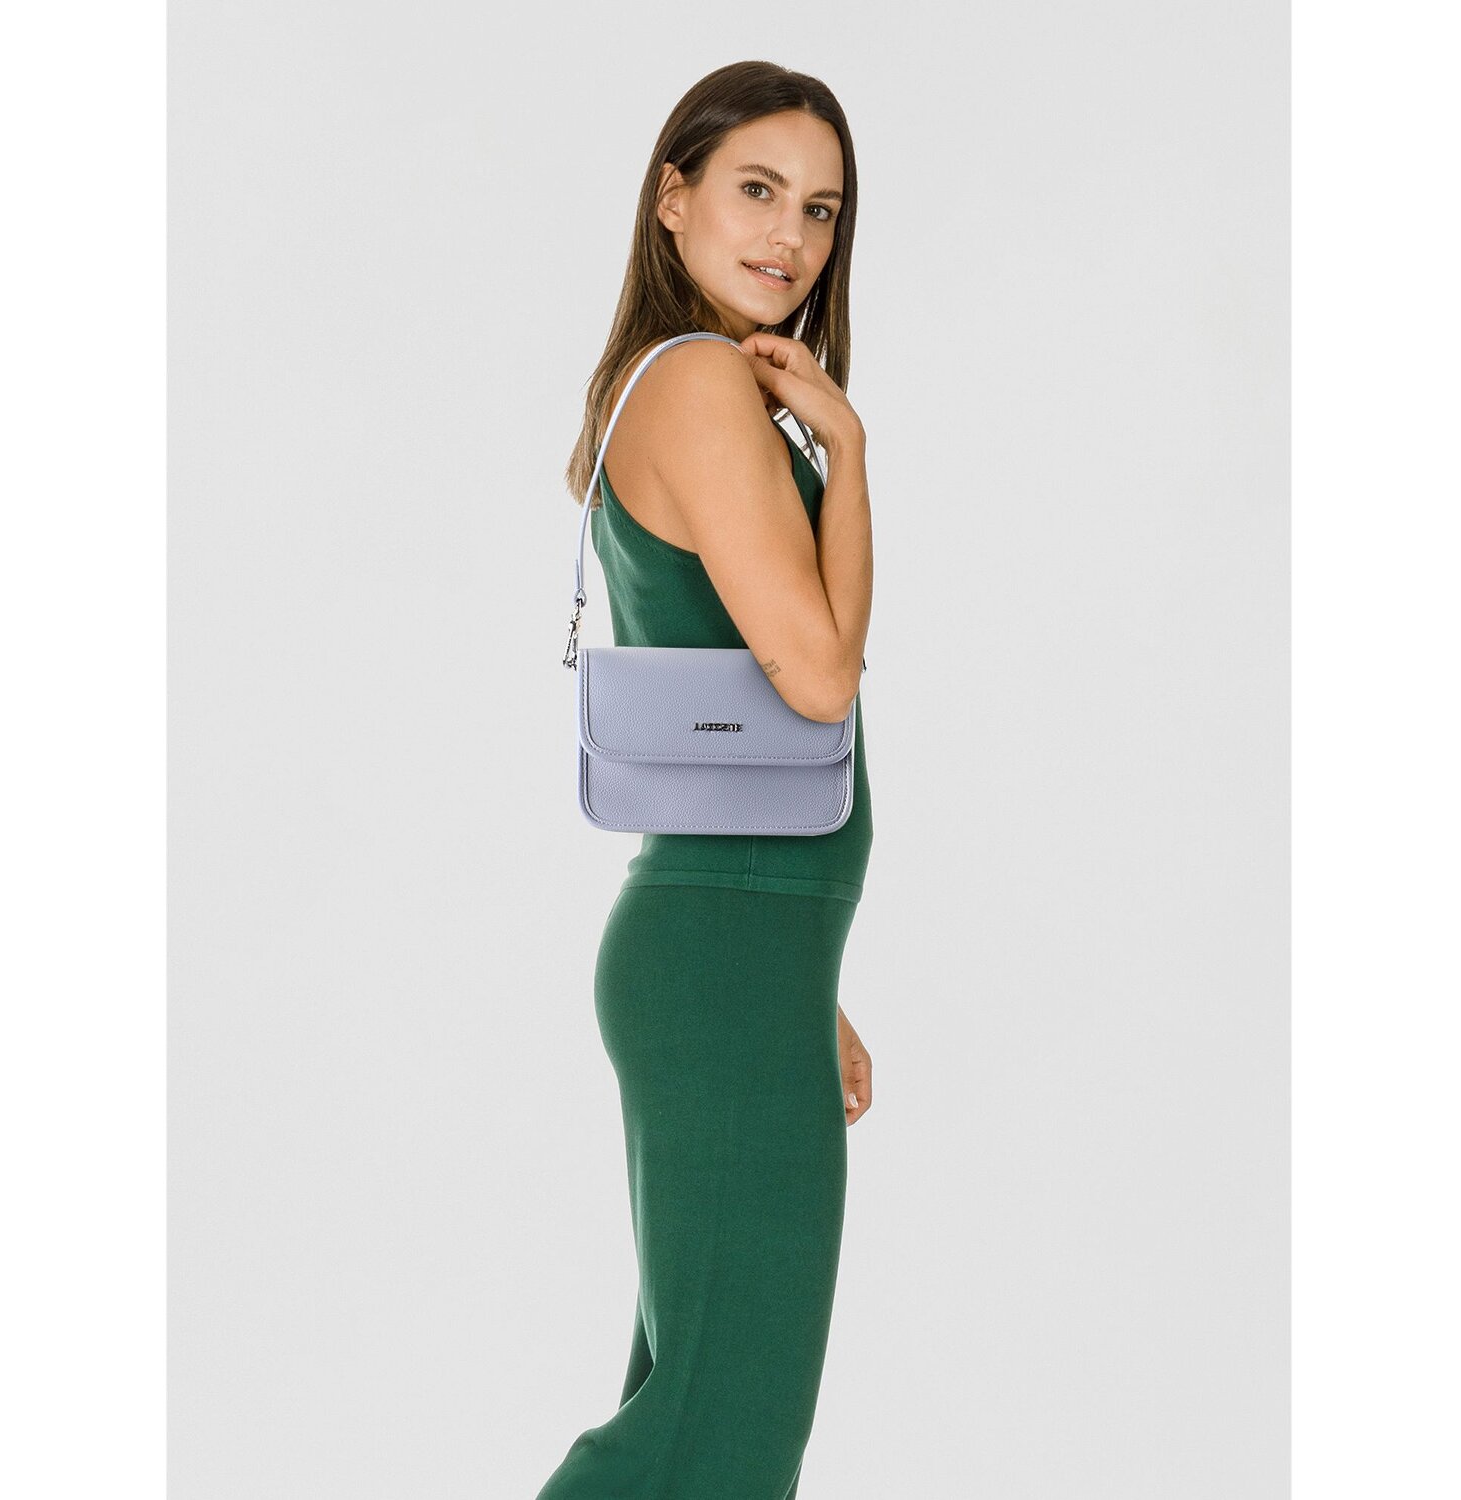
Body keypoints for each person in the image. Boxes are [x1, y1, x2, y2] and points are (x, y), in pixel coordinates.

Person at [537, 59, 876, 1500]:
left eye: (821, 209)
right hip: (724, 950)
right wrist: (848, 449)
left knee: (700, 1420)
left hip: (742, 948)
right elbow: (819, 677)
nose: (790, 235)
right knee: (712, 1437)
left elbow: (760, 742)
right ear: (671, 199)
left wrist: (808, 981)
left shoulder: (686, 385)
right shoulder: (695, 383)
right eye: (756, 189)